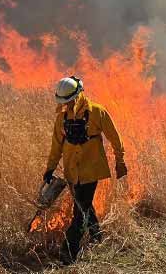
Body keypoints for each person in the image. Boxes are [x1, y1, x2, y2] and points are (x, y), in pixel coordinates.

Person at [43, 76, 127, 264]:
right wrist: (49, 169)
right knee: (85, 206)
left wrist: (120, 161)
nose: (68, 104)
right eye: (65, 101)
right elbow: (56, 146)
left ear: (79, 95)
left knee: (79, 211)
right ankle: (97, 237)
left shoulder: (97, 112)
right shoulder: (61, 118)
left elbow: (115, 138)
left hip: (91, 170)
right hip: (72, 172)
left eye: (70, 100)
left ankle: (69, 252)